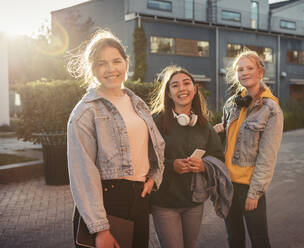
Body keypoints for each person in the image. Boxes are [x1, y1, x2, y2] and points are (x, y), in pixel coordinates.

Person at [67, 29, 165, 248]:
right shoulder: (84, 112)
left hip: (139, 198)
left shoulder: (136, 102)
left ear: (126, 63)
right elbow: (82, 173)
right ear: (92, 69)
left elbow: (156, 146)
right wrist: (100, 228)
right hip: (107, 202)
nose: (111, 69)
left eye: (116, 61)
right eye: (101, 63)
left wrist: (153, 177)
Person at [150, 65, 228, 248]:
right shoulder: (156, 122)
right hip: (165, 202)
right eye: (175, 85)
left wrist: (203, 166)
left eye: (186, 83)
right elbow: (146, 159)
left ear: (194, 89)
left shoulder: (203, 125)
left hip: (194, 202)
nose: (182, 89)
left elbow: (218, 158)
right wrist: (171, 166)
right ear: (169, 93)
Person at [214, 50, 283, 248]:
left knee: (259, 241)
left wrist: (255, 192)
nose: (244, 73)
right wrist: (219, 132)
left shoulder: (271, 110)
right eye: (240, 69)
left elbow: (267, 157)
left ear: (261, 71)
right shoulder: (232, 104)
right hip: (227, 184)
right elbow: (227, 145)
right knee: (234, 240)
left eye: (249, 68)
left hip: (249, 187)